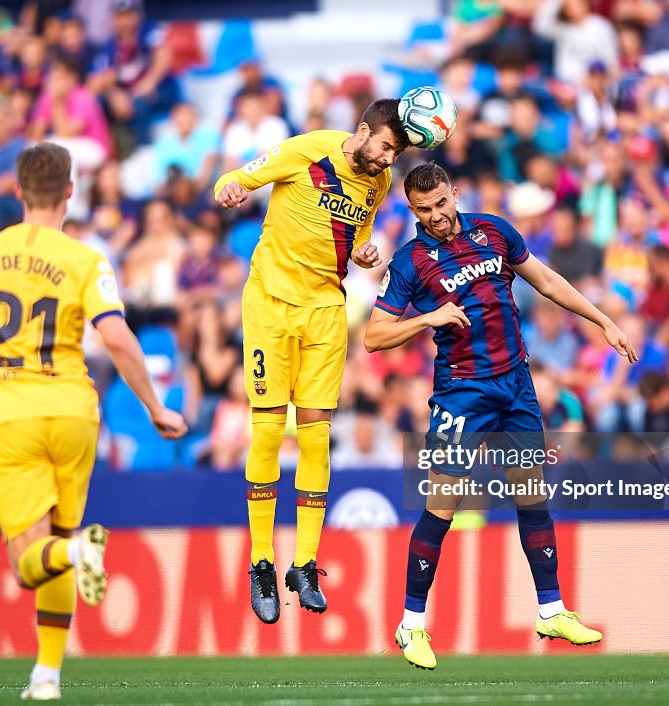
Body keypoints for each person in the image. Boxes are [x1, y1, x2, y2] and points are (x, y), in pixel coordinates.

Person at [0, 142, 187, 700]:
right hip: (74, 415)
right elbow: (116, 336)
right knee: (60, 540)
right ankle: (46, 676)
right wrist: (155, 407)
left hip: (11, 418)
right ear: (71, 190)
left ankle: (73, 558)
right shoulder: (86, 259)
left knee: (29, 562)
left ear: (19, 191)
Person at [364, 162, 638, 670]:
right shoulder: (409, 262)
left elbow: (548, 282)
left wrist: (604, 321)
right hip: (461, 393)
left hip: (516, 384)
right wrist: (428, 318)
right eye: (424, 210)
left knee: (531, 494)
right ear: (414, 210)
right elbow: (373, 336)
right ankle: (411, 624)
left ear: (454, 193)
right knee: (442, 505)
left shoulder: (494, 230)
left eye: (441, 204)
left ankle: (551, 610)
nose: (436, 216)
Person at [214, 99, 409, 623]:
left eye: (395, 153)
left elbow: (357, 239)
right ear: (362, 131)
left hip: (326, 310)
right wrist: (229, 188)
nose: (388, 160)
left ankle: (304, 563)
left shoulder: (378, 183)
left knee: (319, 431)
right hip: (270, 305)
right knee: (269, 433)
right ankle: (260, 562)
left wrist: (365, 254)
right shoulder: (306, 151)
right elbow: (234, 178)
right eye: (386, 147)